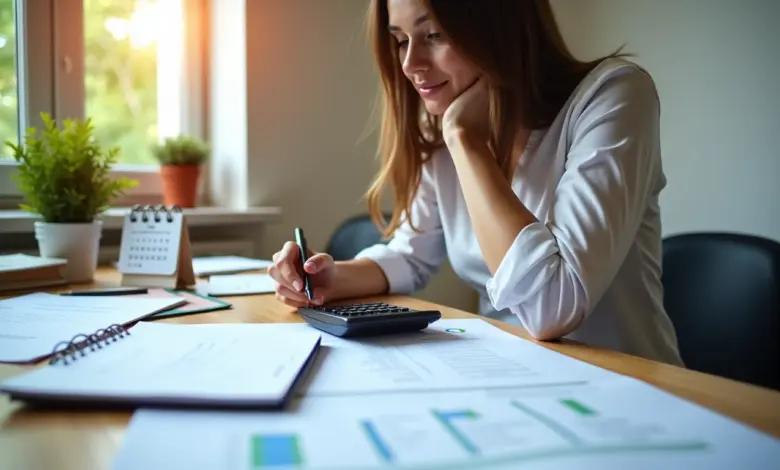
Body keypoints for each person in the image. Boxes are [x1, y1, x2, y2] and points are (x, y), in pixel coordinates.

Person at [267, 0, 684, 366]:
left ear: (497, 29)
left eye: (433, 34)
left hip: (632, 386)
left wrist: (465, 141)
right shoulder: (448, 125)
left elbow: (552, 307)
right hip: (517, 376)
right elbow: (410, 256)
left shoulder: (614, 96)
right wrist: (329, 279)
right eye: (400, 40)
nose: (411, 64)